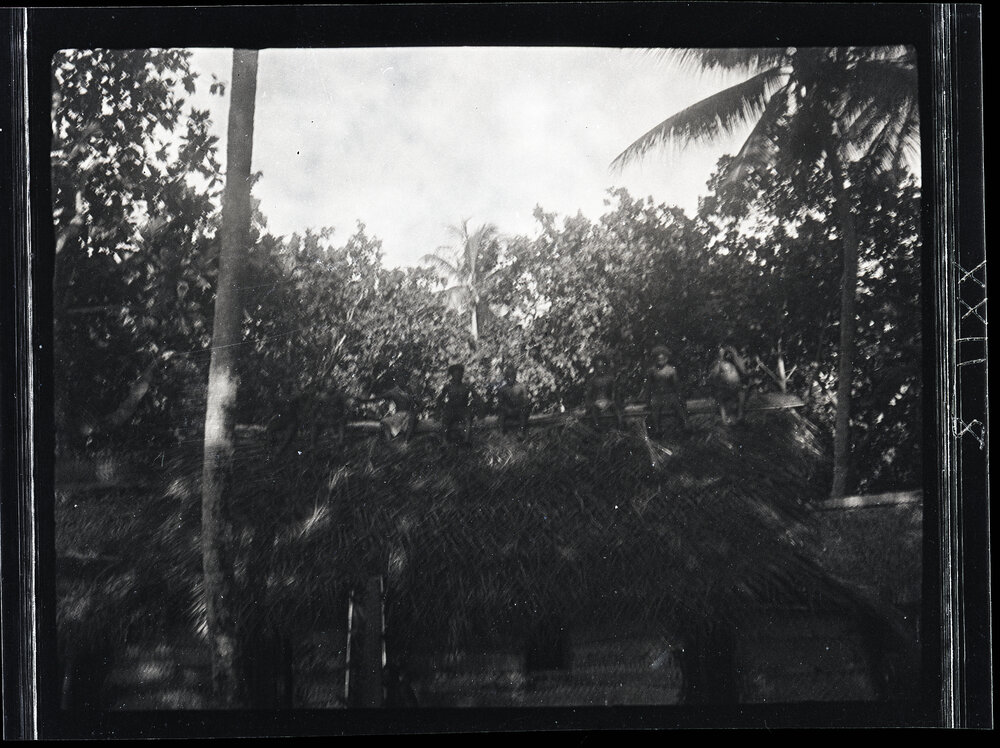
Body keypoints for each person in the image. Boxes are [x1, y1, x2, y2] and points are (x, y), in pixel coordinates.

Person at [640, 345, 688, 436]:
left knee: (679, 406)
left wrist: (680, 397)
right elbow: (648, 386)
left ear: (666, 359)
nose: (660, 361)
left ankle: (686, 425)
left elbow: (676, 386)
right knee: (655, 407)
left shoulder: (671, 370)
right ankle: (657, 429)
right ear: (655, 359)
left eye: (662, 359)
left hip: (670, 394)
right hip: (657, 395)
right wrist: (647, 401)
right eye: (658, 359)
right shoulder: (652, 371)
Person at [436, 363, 482, 444]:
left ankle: (466, 441)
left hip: (463, 409)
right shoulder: (448, 387)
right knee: (445, 419)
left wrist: (474, 405)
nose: (458, 376)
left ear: (462, 375)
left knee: (468, 419)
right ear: (452, 375)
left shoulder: (466, 386)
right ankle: (444, 442)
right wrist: (439, 409)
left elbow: (477, 397)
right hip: (451, 409)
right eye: (455, 374)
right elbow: (439, 399)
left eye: (460, 374)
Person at [365, 374, 419, 442]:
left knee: (411, 419)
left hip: (409, 415)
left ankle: (406, 441)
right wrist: (365, 401)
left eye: (403, 379)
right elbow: (379, 397)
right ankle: (390, 441)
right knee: (385, 423)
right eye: (399, 380)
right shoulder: (393, 392)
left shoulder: (408, 390)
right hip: (399, 415)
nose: (402, 381)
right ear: (396, 382)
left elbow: (418, 403)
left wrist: (416, 410)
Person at [708, 344, 748, 424]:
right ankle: (725, 419)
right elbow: (713, 377)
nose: (727, 354)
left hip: (735, 386)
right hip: (724, 387)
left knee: (742, 393)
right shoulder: (718, 363)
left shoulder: (735, 362)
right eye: (723, 352)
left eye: (727, 352)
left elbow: (743, 371)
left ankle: (740, 415)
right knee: (721, 397)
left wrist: (735, 356)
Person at [585, 352, 623, 431]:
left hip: (608, 401)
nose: (600, 370)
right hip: (597, 402)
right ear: (595, 368)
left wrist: (614, 400)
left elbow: (614, 391)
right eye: (598, 368)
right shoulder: (593, 380)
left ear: (605, 367)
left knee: (617, 412)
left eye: (602, 367)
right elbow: (589, 394)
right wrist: (589, 404)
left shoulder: (610, 378)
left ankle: (620, 426)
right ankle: (597, 427)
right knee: (594, 413)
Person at [497, 365, 532, 437]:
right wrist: (507, 409)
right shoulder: (502, 389)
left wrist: (518, 408)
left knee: (524, 412)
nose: (509, 378)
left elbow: (526, 401)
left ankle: (521, 432)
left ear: (515, 376)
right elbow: (500, 403)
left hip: (519, 410)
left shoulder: (521, 387)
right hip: (507, 411)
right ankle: (501, 432)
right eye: (507, 376)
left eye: (511, 376)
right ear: (505, 377)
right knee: (501, 414)